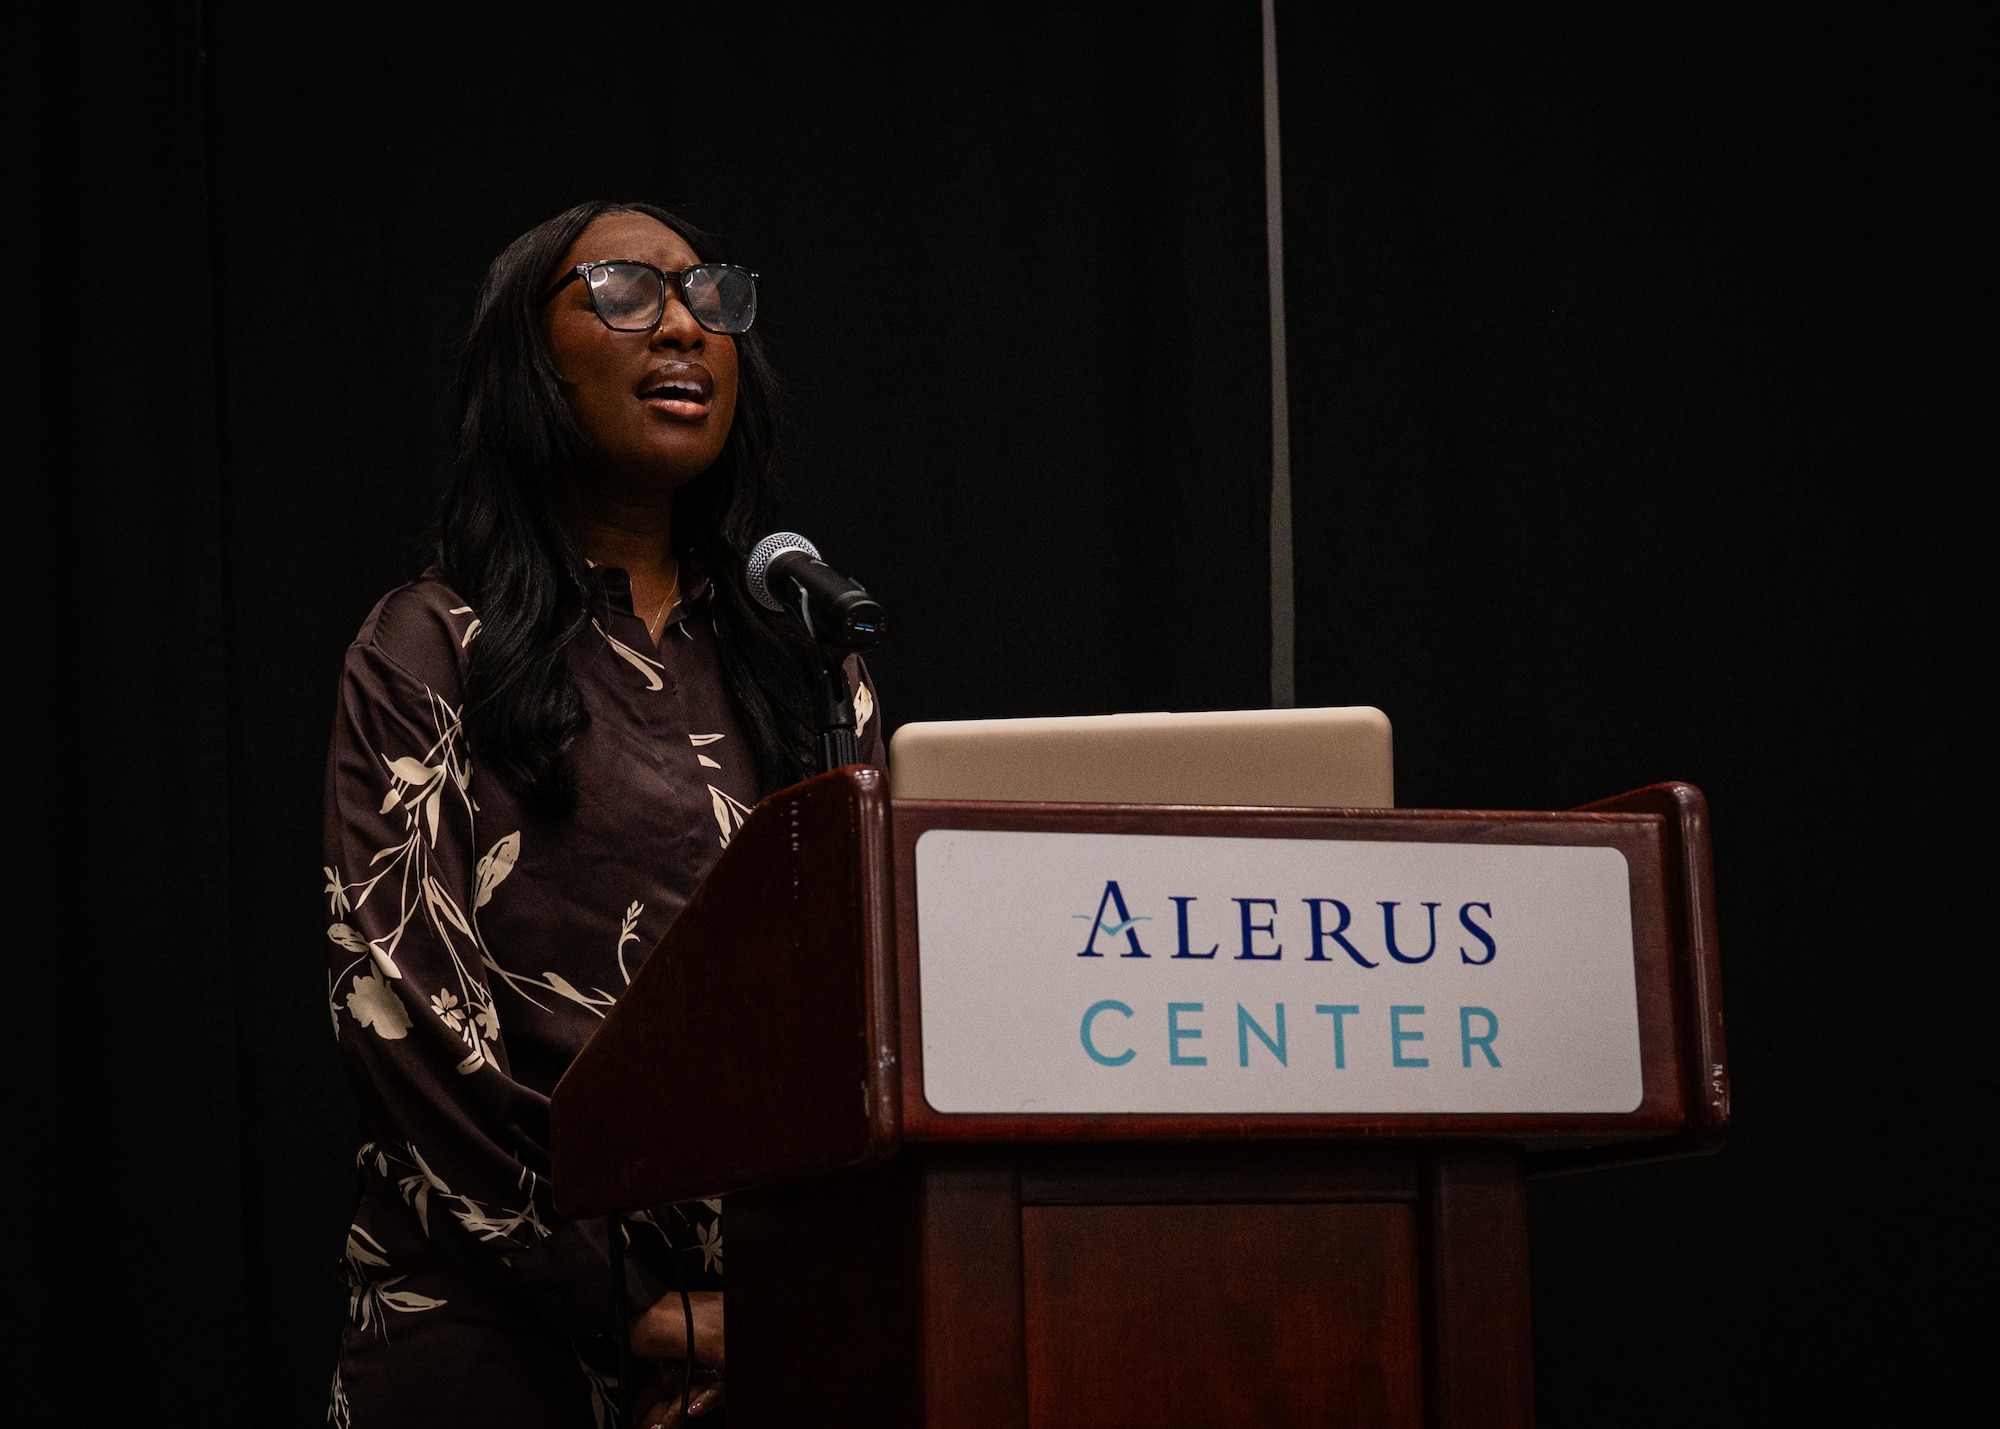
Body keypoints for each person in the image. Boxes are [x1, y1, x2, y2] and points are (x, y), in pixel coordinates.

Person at [322, 201, 882, 1428]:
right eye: (623, 291)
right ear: (530, 359)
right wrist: (616, 1295)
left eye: (710, 297)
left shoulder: (806, 662)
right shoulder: (432, 645)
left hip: (763, 1334)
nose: (682, 324)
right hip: (495, 1332)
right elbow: (399, 1014)